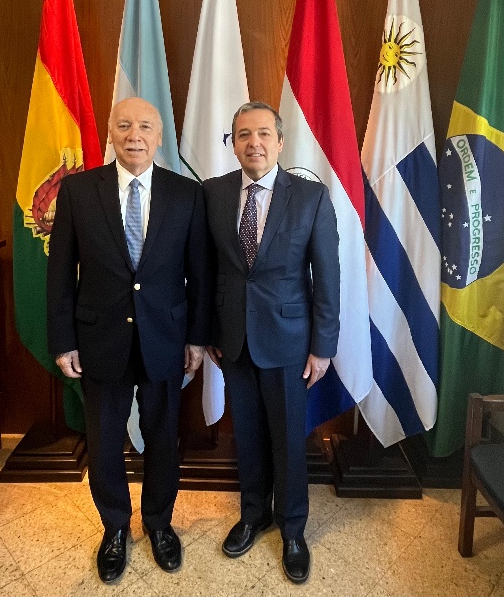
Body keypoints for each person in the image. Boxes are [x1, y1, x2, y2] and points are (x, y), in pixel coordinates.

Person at [47, 97, 210, 583]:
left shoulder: (186, 194)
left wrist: (197, 339)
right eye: (124, 125)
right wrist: (63, 340)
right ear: (111, 134)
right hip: (99, 340)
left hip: (166, 339)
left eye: (144, 127)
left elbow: (199, 275)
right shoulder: (78, 191)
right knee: (103, 442)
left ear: (159, 137)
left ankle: (159, 523)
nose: (134, 135)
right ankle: (115, 527)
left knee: (163, 437)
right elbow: (60, 273)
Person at [203, 101, 340, 584]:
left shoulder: (311, 197)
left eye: (263, 133)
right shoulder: (214, 193)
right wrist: (209, 331)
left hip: (289, 341)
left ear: (280, 142)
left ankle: (293, 529)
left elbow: (327, 275)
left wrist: (323, 346)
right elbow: (207, 271)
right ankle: (254, 514)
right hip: (233, 340)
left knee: (287, 441)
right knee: (247, 436)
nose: (253, 143)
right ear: (233, 143)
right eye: (243, 134)